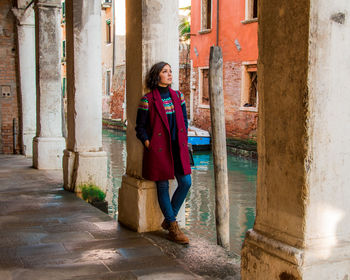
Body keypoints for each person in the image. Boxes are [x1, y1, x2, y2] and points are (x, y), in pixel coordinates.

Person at [135, 61, 192, 244]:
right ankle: (174, 228)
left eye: (170, 71)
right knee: (163, 187)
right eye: (164, 71)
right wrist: (148, 143)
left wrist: (184, 139)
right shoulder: (148, 100)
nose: (169, 74)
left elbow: (184, 120)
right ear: (156, 75)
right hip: (159, 150)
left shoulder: (178, 96)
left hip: (177, 147)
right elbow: (140, 127)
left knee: (185, 182)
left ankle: (168, 220)